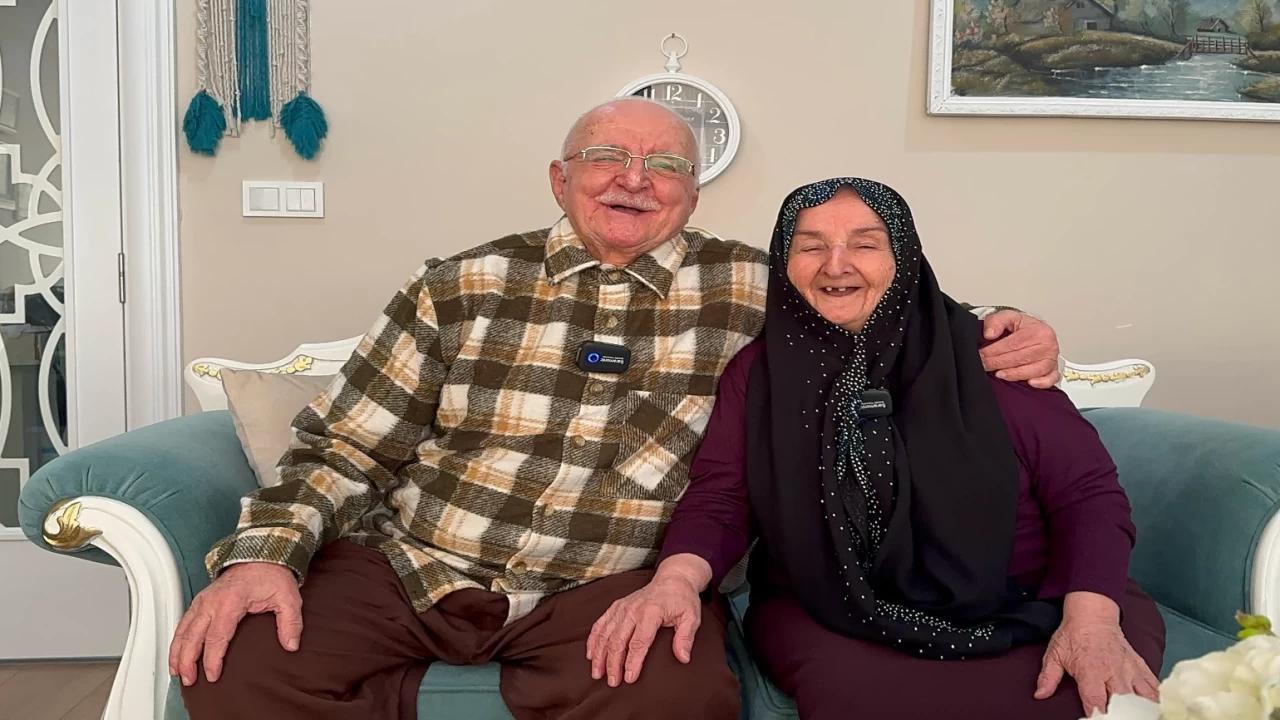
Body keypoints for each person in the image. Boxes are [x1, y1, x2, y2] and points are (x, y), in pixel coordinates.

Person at [169, 101, 1063, 720]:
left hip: (613, 582)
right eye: (608, 157)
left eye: (665, 165)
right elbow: (345, 447)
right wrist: (266, 554)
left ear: (693, 195)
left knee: (678, 697)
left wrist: (1006, 327)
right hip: (414, 560)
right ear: (561, 178)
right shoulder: (460, 284)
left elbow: (889, 305)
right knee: (238, 659)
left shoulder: (756, 289)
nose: (635, 180)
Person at [588, 178, 1164, 720]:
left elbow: (1085, 494)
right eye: (810, 246)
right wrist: (674, 581)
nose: (836, 265)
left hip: (1039, 604)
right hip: (833, 611)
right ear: (784, 263)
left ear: (903, 258)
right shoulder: (758, 373)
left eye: (865, 245)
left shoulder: (992, 353)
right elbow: (722, 497)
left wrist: (1091, 621)